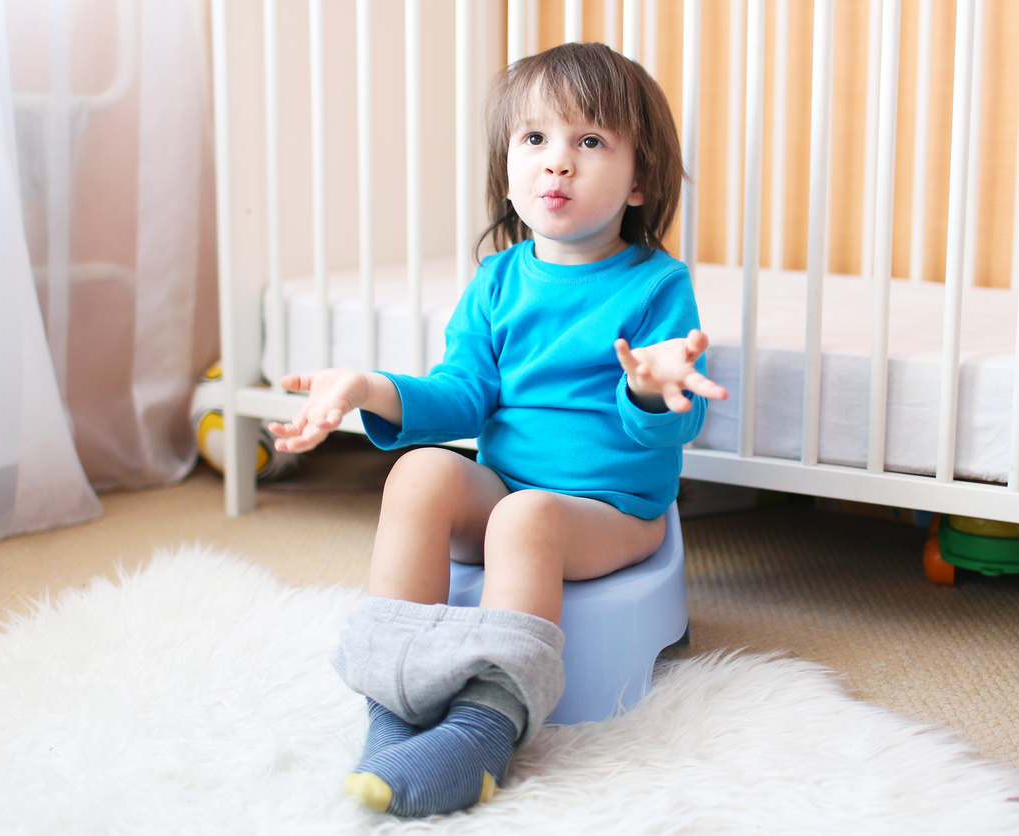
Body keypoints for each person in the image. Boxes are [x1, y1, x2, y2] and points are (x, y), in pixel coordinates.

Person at [269, 41, 728, 818]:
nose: (559, 164)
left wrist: (651, 390)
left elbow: (671, 431)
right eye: (536, 139)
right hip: (511, 488)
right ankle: (395, 707)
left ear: (641, 180)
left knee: (526, 516)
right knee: (418, 470)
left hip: (611, 510)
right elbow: (461, 395)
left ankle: (488, 723)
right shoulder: (497, 281)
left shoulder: (657, 284)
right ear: (508, 166)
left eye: (590, 142)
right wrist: (368, 388)